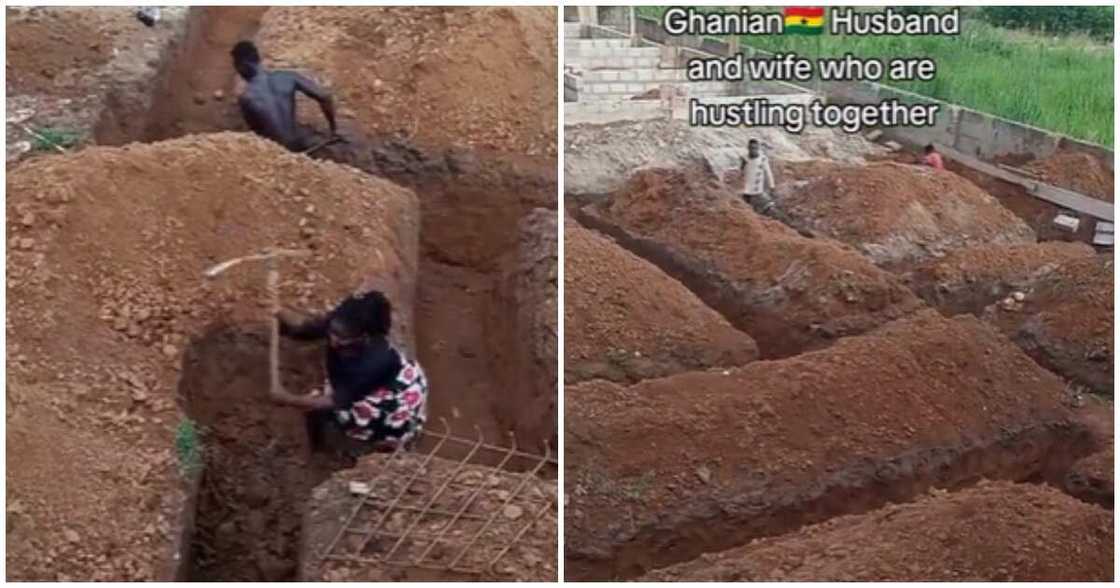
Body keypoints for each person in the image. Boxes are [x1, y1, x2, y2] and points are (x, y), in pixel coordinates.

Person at [269, 290, 428, 455]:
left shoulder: (374, 363)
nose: (333, 339)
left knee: (316, 409)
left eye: (342, 337)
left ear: (364, 336)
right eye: (332, 332)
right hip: (362, 382)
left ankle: (324, 451)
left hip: (390, 400)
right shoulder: (340, 324)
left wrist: (288, 398)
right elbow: (310, 330)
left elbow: (334, 401)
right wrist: (280, 315)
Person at [231, 40, 338, 153]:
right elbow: (325, 96)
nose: (238, 72)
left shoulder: (247, 97)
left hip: (279, 154)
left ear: (243, 65)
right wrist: (333, 129)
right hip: (299, 144)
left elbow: (256, 135)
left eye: (237, 67)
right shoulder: (288, 77)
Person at [739, 139, 777, 215]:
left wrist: (772, 186)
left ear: (758, 148)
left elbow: (768, 172)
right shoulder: (744, 159)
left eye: (755, 148)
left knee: (768, 205)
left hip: (758, 189)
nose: (753, 150)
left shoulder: (762, 159)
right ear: (748, 148)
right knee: (746, 209)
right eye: (751, 148)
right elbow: (740, 172)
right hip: (746, 190)